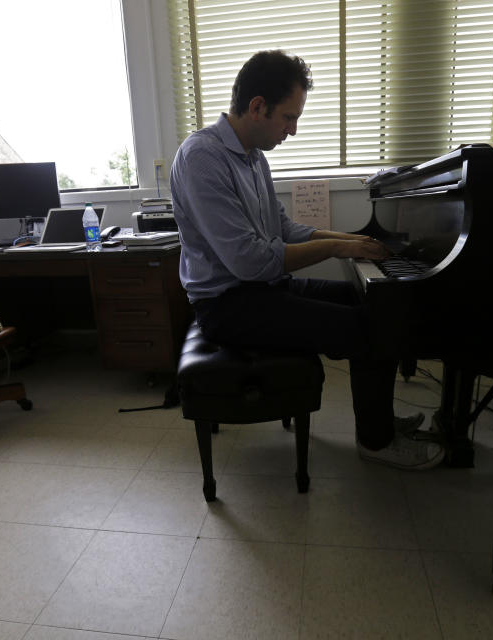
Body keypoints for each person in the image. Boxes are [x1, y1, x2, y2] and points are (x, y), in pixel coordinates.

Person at [169, 50, 444, 470]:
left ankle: (380, 421)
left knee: (376, 303)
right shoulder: (202, 158)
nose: (292, 131)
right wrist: (338, 247)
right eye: (288, 118)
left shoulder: (253, 158)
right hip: (227, 306)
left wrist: (351, 238)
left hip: (262, 291)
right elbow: (250, 262)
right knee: (365, 327)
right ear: (257, 106)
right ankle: (375, 440)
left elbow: (283, 230)